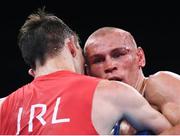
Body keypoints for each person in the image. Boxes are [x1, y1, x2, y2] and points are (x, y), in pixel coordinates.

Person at [0, 10, 172, 135]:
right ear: (72, 47)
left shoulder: (2, 106)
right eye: (94, 60)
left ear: (32, 71)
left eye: (118, 54)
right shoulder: (113, 93)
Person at [84, 26, 180, 134]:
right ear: (88, 72)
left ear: (140, 57)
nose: (109, 66)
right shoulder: (107, 121)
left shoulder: (159, 83)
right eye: (98, 60)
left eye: (119, 54)